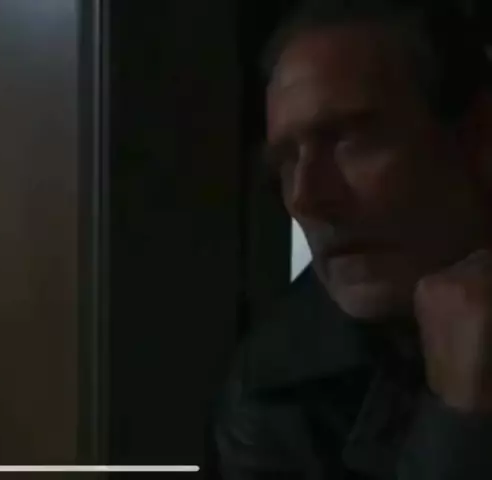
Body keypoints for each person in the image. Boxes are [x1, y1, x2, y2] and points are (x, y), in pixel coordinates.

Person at [209, 1, 492, 478]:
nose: (306, 198)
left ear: (481, 136)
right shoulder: (279, 389)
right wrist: (461, 425)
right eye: (285, 161)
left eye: (349, 139)